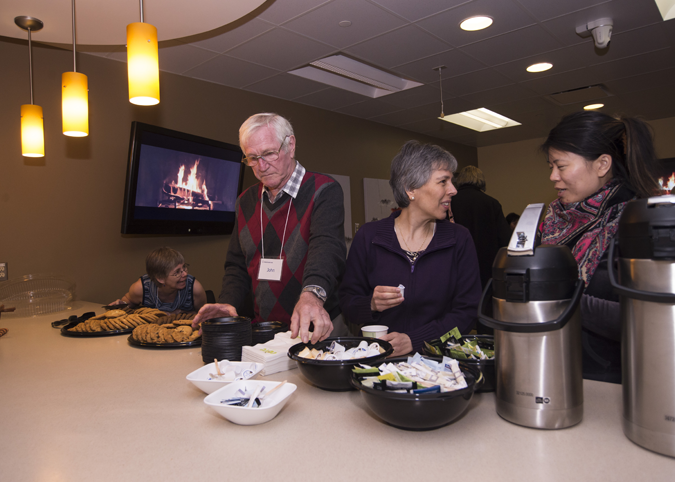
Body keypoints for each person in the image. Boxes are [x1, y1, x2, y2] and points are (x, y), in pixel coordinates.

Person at [192, 113, 346, 343]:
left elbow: (326, 249)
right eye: (252, 158)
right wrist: (228, 302)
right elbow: (237, 265)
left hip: (315, 325)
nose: (262, 166)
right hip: (263, 329)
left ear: (290, 145)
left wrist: (312, 295)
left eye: (269, 153)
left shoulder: (324, 190)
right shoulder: (245, 201)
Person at [540, 110, 661, 384]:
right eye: (551, 167)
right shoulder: (555, 221)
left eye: (561, 166)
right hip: (555, 371)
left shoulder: (639, 224)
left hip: (612, 383)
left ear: (602, 164)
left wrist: (558, 299)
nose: (553, 177)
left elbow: (649, 321)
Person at [339, 141, 482, 356]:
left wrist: (416, 341)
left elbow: (467, 313)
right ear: (410, 188)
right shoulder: (370, 237)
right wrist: (370, 304)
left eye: (451, 181)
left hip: (439, 367)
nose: (453, 190)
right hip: (377, 363)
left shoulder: (459, 239)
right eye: (443, 181)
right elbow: (347, 302)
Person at [451, 166, 511, 291]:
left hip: (457, 260)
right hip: (487, 262)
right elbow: (505, 238)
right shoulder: (492, 203)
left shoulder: (449, 202)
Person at [112, 247, 207, 312]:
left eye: (184, 267)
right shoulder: (141, 288)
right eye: (177, 272)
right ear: (160, 278)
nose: (185, 274)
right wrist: (122, 304)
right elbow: (129, 301)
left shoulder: (194, 288)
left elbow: (204, 315)